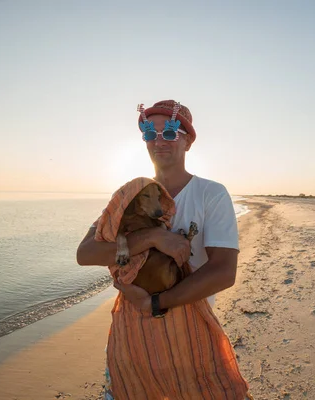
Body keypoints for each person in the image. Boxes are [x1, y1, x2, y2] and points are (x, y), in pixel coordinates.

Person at [76, 99, 239, 311]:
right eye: (151, 134)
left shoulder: (210, 194)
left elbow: (224, 272)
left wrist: (154, 303)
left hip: (190, 326)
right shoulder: (132, 194)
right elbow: (86, 254)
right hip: (129, 323)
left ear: (188, 141)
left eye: (170, 133)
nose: (159, 142)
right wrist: (152, 237)